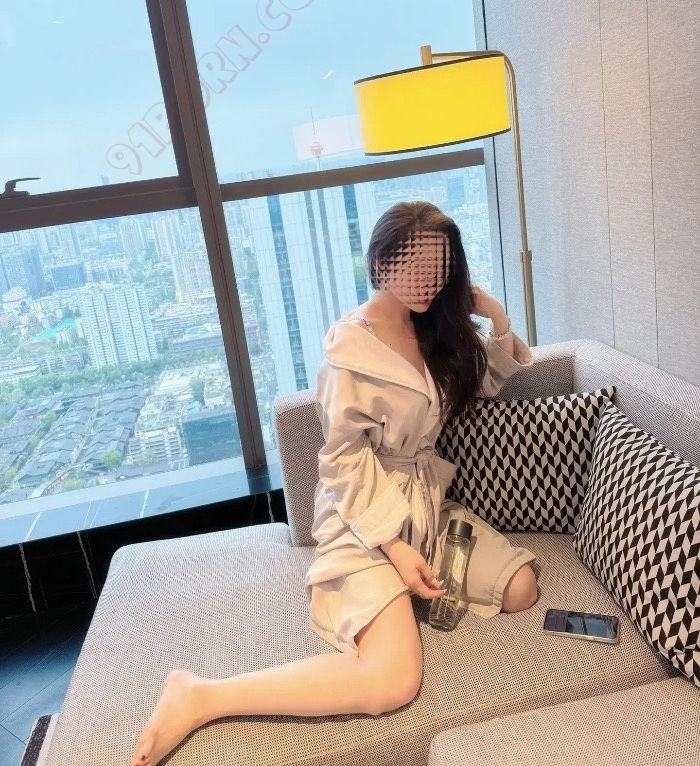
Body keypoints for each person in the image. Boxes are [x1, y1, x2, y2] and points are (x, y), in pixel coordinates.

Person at [130, 200, 540, 766]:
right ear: (379, 264)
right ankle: (201, 696)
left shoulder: (436, 330)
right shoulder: (350, 352)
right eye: (413, 269)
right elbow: (342, 460)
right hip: (365, 521)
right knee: (393, 681)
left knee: (521, 588)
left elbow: (482, 383)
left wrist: (494, 315)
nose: (426, 284)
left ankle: (407, 592)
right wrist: (394, 546)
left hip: (426, 507)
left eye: (438, 271)